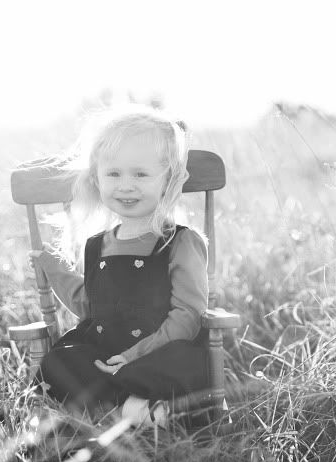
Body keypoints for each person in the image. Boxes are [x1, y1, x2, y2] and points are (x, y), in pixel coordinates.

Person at [28, 105, 209, 426]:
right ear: (97, 179)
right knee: (62, 359)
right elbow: (90, 305)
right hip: (104, 350)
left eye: (140, 174)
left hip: (156, 349)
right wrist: (54, 269)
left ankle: (123, 406)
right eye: (114, 174)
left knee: (183, 360)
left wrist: (132, 356)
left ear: (167, 180)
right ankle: (133, 408)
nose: (126, 185)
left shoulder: (180, 242)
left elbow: (187, 317)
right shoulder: (97, 244)